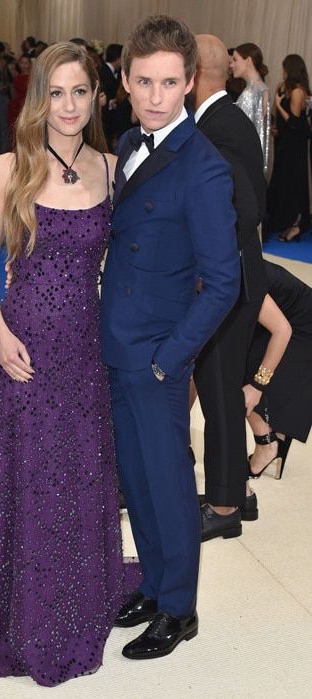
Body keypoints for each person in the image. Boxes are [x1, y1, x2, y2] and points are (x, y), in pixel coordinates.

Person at [0, 41, 139, 687]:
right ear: (39, 97)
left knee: (75, 478)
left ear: (96, 95)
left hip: (84, 349)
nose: (68, 106)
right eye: (57, 93)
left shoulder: (109, 165)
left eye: (80, 92)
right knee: (28, 481)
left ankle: (72, 608)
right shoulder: (10, 167)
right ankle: (24, 621)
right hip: (22, 350)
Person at [100, 15, 240, 660]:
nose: (156, 95)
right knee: (138, 477)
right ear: (126, 81)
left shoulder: (204, 168)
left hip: (155, 357)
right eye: (144, 81)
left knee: (169, 483)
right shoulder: (130, 141)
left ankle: (179, 608)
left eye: (170, 83)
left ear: (190, 84)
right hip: (116, 347)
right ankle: (154, 585)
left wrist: (170, 360)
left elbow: (223, 283)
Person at [191, 34, 267, 541]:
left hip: (227, 281)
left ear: (193, 75)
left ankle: (223, 507)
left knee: (218, 395)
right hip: (238, 275)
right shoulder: (226, 120)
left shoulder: (219, 128)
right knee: (220, 391)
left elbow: (243, 210)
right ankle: (238, 490)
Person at [245, 260, 312, 478]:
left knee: (239, 373)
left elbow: (283, 330)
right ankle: (276, 438)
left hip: (302, 322)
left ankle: (268, 445)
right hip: (287, 312)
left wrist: (257, 385)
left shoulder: (237, 277)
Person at [267, 55, 311, 242]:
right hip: (284, 144)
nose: (282, 71)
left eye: (285, 68)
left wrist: (277, 104)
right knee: (282, 182)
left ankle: (296, 224)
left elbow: (294, 121)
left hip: (294, 147)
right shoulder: (285, 88)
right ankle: (284, 222)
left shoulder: (298, 92)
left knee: (293, 183)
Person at [231, 43, 270, 171]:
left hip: (245, 164)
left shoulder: (250, 93)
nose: (231, 65)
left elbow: (241, 133)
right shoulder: (261, 88)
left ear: (248, 61)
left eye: (235, 60)